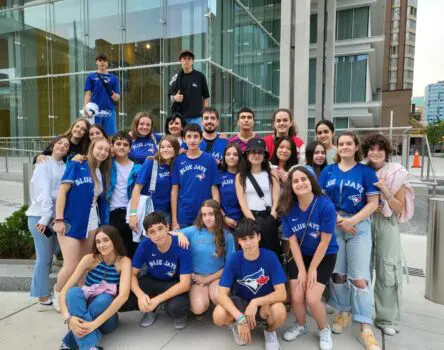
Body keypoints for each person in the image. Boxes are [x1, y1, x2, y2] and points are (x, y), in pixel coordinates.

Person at [319, 131, 381, 350]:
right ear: (337, 147)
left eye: (349, 144)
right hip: (335, 225)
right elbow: (322, 199)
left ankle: (365, 325)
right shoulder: (328, 171)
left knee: (360, 278)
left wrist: (351, 220)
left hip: (359, 226)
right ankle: (343, 312)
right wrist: (339, 220)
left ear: (356, 147)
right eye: (341, 144)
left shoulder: (366, 172)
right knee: (338, 275)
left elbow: (373, 202)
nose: (344, 147)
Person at [279, 167, 338, 349]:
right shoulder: (287, 207)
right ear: (291, 186)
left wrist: (311, 269)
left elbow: (325, 241)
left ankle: (324, 329)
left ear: (311, 181)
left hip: (324, 253)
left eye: (303, 179)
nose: (300, 183)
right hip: (301, 253)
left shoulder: (325, 205)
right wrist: (302, 271)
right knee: (296, 295)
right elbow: (293, 242)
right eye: (295, 181)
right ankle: (301, 325)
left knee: (312, 299)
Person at [52, 138, 112, 313]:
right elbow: (62, 192)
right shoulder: (77, 164)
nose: (102, 152)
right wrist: (59, 219)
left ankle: (78, 296)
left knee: (86, 262)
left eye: (106, 150)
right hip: (71, 220)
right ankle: (58, 293)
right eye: (99, 148)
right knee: (71, 265)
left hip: (91, 220)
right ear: (92, 148)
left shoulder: (100, 171)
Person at [362, 134, 413, 336]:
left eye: (379, 149)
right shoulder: (361, 170)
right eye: (371, 149)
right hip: (365, 219)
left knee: (388, 268)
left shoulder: (396, 173)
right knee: (361, 267)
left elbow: (399, 208)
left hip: (386, 222)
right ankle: (361, 312)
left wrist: (384, 188)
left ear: (386, 151)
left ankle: (386, 317)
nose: (375, 153)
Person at [213, 218, 287, 350]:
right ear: (239, 241)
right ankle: (238, 324)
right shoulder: (234, 258)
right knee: (218, 315)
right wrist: (239, 317)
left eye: (251, 237)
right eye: (243, 239)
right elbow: (221, 294)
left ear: (258, 236)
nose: (248, 243)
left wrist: (256, 302)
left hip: (264, 303)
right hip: (241, 301)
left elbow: (282, 294)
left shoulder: (270, 257)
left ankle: (269, 331)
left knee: (280, 311)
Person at [58, 225, 131, 350]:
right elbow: (64, 290)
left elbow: (123, 296)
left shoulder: (124, 262)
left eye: (106, 240)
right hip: (85, 308)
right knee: (73, 292)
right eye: (98, 241)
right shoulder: (89, 259)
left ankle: (70, 342)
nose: (101, 245)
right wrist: (68, 318)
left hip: (106, 320)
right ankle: (90, 347)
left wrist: (93, 325)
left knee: (105, 298)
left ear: (115, 240)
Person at [120, 212, 192, 330]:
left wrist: (157, 300)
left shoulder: (181, 244)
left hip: (173, 282)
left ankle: (173, 311)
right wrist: (141, 295)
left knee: (177, 307)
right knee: (128, 296)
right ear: (147, 235)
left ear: (167, 227)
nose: (157, 235)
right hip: (153, 279)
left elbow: (185, 284)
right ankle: (149, 308)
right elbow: (132, 274)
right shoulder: (145, 245)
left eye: (160, 229)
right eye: (152, 232)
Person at [26, 136, 70, 311]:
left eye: (66, 145)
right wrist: (44, 219)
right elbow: (43, 193)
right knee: (44, 258)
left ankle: (44, 291)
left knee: (53, 253)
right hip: (40, 218)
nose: (62, 146)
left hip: (54, 218)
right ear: (52, 145)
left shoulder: (64, 166)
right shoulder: (43, 164)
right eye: (60, 143)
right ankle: (42, 295)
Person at [174, 200, 236, 317]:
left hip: (217, 276)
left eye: (211, 214)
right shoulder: (194, 230)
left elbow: (229, 266)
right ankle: (201, 298)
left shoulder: (228, 236)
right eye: (204, 215)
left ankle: (215, 301)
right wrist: (180, 234)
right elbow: (170, 234)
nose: (207, 218)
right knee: (198, 308)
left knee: (218, 299)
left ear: (218, 215)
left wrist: (208, 279)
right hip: (197, 277)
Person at [235, 138, 281, 258]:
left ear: (265, 155)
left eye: (260, 152)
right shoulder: (240, 176)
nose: (256, 155)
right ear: (247, 155)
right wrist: (253, 221)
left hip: (269, 216)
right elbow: (242, 202)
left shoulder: (272, 173)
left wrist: (273, 216)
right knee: (252, 251)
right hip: (250, 217)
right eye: (253, 152)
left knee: (272, 251)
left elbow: (276, 196)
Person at [171, 123, 220, 229]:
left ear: (201, 138)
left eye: (195, 136)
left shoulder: (210, 160)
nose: (192, 140)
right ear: (184, 139)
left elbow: (215, 191)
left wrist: (216, 216)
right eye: (189, 136)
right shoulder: (178, 161)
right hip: (184, 214)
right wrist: (174, 221)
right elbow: (174, 191)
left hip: (205, 213)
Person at [129, 135, 180, 235]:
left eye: (169, 146)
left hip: (167, 214)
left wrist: (174, 221)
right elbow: (137, 188)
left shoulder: (175, 166)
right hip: (150, 213)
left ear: (176, 149)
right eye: (162, 147)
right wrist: (132, 214)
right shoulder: (151, 162)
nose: (165, 150)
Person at [107, 132, 142, 258]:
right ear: (112, 146)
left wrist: (134, 212)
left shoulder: (138, 167)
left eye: (125, 145)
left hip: (130, 213)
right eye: (118, 144)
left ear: (130, 148)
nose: (121, 147)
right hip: (110, 212)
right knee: (112, 251)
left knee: (128, 251)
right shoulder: (106, 164)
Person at [168, 49, 210, 127]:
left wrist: (205, 115)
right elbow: (169, 96)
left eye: (189, 58)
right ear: (180, 61)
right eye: (184, 58)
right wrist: (175, 98)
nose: (186, 60)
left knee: (197, 138)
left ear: (193, 61)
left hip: (197, 118)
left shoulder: (200, 76)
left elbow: (206, 97)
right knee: (180, 139)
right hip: (180, 118)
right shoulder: (176, 77)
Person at [83, 53, 120, 136]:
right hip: (95, 112)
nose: (102, 63)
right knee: (94, 136)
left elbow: (117, 96)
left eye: (104, 61)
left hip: (109, 111)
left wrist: (116, 97)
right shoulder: (91, 77)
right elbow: (88, 94)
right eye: (100, 60)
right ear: (96, 62)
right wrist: (85, 107)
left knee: (111, 136)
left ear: (107, 63)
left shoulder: (113, 78)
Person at [219, 143, 244, 230]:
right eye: (228, 154)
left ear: (240, 157)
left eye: (235, 154)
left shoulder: (245, 176)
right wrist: (224, 218)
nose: (231, 157)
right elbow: (215, 201)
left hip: (244, 222)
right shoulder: (219, 176)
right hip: (224, 222)